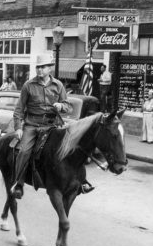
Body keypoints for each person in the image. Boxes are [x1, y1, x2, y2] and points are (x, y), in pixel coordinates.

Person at [10, 54, 94, 199]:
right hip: (33, 125)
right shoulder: (28, 86)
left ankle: (81, 181)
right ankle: (19, 183)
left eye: (43, 67)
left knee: (73, 146)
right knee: (23, 151)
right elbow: (19, 110)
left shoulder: (58, 85)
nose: (40, 70)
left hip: (53, 125)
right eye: (38, 67)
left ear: (50, 69)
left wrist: (61, 105)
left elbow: (68, 107)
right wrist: (18, 128)